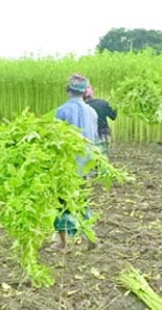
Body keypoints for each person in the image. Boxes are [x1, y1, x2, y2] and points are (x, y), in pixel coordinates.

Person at [52, 73, 100, 251]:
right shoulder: (92, 112)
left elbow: (56, 141)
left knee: (63, 203)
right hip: (86, 163)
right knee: (82, 201)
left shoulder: (61, 111)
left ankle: (64, 243)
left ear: (68, 90)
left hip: (67, 164)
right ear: (84, 92)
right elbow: (93, 139)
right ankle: (90, 236)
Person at [84, 84, 117, 156]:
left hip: (87, 136)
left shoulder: (81, 107)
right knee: (103, 158)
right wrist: (115, 105)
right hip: (103, 133)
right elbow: (113, 116)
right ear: (92, 91)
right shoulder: (103, 103)